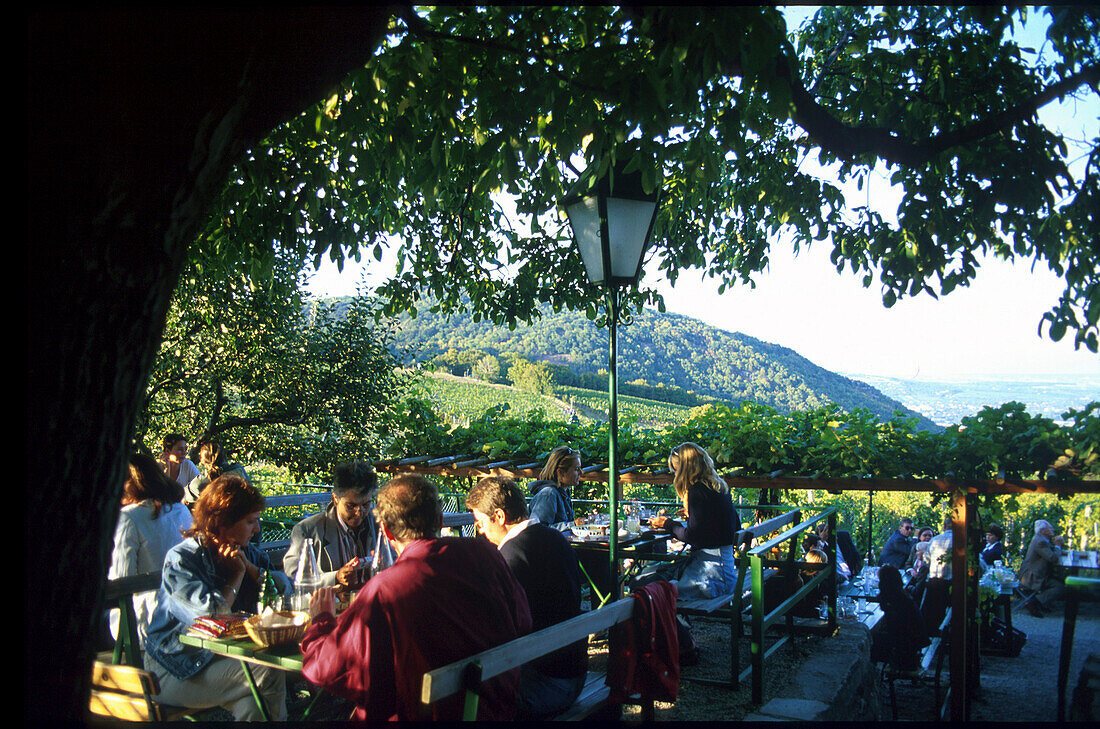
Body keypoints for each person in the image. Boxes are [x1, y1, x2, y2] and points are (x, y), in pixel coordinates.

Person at [300, 475, 532, 721]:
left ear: (387, 532)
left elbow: (329, 668)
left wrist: (321, 621)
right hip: (494, 711)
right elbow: (523, 622)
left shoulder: (385, 589)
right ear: (440, 519)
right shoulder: (486, 555)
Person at [143, 475, 291, 720]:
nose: (258, 529)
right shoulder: (182, 560)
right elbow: (211, 617)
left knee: (254, 706)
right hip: (175, 668)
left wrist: (252, 571)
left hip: (224, 660)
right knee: (269, 672)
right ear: (223, 523)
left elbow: (287, 593)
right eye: (251, 521)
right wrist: (237, 575)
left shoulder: (248, 553)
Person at [465, 476, 587, 719]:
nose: (480, 531)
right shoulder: (555, 538)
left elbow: (497, 630)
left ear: (499, 516)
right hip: (575, 674)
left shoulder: (510, 557)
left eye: (480, 522)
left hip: (546, 685)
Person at [108, 453, 193, 646]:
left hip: (144, 621)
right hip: (184, 615)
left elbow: (120, 580)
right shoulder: (181, 510)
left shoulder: (129, 518)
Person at [649, 442, 740, 599]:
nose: (675, 474)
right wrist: (695, 517)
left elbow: (692, 536)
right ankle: (677, 622)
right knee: (650, 577)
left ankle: (673, 623)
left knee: (647, 585)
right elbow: (733, 526)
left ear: (685, 469)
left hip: (712, 578)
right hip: (726, 571)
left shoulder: (697, 492)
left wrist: (667, 524)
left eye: (676, 470)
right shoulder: (718, 487)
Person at [283, 461, 378, 590]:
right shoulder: (308, 531)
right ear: (335, 498)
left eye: (365, 505)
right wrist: (335, 578)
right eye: (351, 506)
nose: (359, 513)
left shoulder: (379, 525)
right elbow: (294, 577)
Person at [872, 564, 930, 670]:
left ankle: (870, 675)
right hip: (912, 642)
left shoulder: (896, 602)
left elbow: (895, 631)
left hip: (906, 648)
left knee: (870, 640)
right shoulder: (902, 596)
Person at [528, 446, 583, 530]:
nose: (581, 472)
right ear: (561, 472)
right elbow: (538, 529)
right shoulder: (548, 494)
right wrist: (573, 525)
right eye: (576, 469)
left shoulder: (564, 492)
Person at [1019, 519, 1064, 617]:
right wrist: (1058, 546)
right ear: (1043, 531)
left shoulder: (1040, 539)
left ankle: (1041, 604)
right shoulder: (1040, 542)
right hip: (1032, 577)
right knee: (1059, 586)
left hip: (1035, 574)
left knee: (1057, 580)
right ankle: (1035, 603)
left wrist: (1054, 546)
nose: (1052, 529)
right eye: (1050, 528)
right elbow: (1053, 558)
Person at [183, 440, 249, 505]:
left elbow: (184, 496)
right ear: (225, 456)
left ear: (202, 461)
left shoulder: (200, 481)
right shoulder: (239, 471)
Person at [920, 514, 953, 634]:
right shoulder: (962, 540)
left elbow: (927, 561)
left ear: (944, 526)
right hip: (952, 585)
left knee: (930, 616)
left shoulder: (934, 541)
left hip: (935, 584)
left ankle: (932, 634)